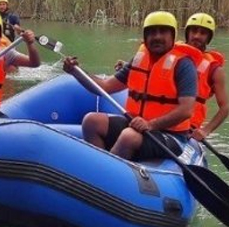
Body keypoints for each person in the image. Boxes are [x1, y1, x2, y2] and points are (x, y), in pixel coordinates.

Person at [62, 11, 201, 161]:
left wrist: (151, 124)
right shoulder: (139, 60)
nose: (157, 37)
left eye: (163, 32)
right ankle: (98, 165)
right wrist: (77, 72)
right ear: (145, 37)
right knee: (91, 121)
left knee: (128, 137)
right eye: (152, 32)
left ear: (173, 36)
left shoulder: (184, 65)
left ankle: (104, 172)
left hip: (170, 135)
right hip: (136, 125)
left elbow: (186, 110)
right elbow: (105, 87)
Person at [182, 13, 229, 141]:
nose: (197, 36)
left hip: (187, 129)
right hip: (157, 119)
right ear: (187, 33)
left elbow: (225, 107)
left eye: (203, 33)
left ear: (209, 38)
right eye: (194, 31)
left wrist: (205, 131)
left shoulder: (215, 70)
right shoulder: (169, 54)